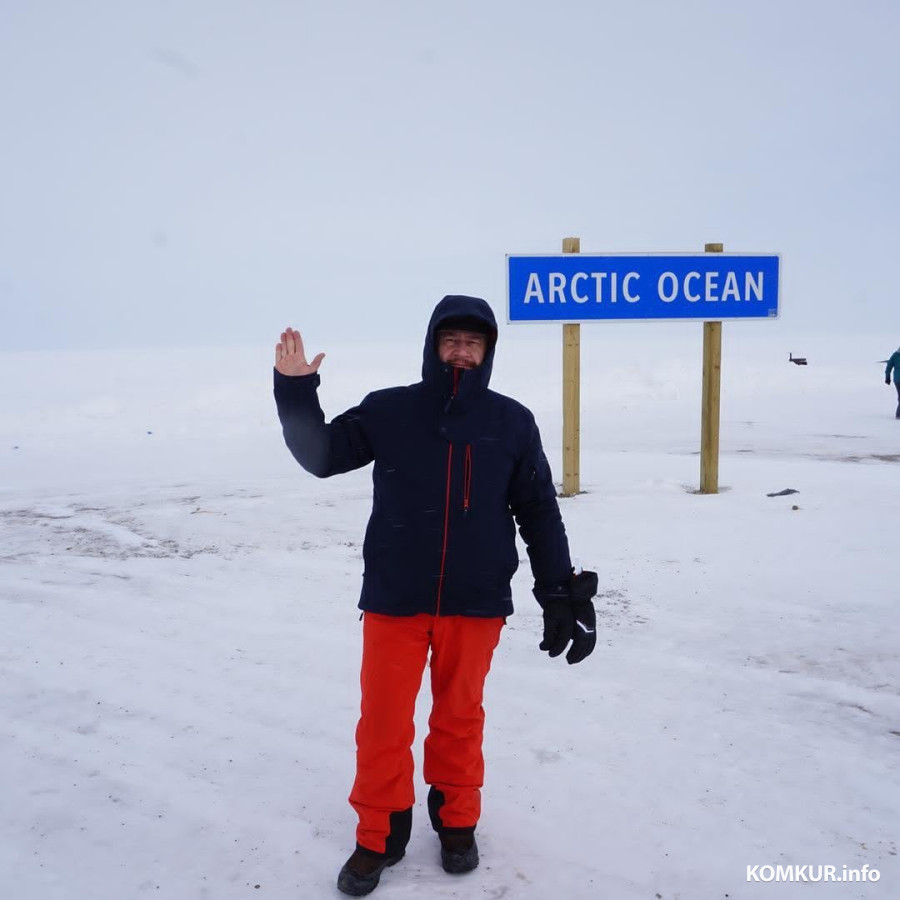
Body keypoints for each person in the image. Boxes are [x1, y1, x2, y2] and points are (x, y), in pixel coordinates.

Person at [273, 295, 597, 896]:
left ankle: (457, 823)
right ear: (432, 345)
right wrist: (295, 391)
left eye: (474, 343)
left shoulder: (511, 421)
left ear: (488, 352)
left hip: (475, 601)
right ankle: (379, 835)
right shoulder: (391, 410)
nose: (462, 351)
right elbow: (320, 456)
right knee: (383, 724)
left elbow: (538, 511)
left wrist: (559, 590)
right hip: (397, 596)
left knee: (460, 717)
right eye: (452, 340)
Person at [885, 346, 900, 418]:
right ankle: (898, 415)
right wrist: (887, 377)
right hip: (898, 380)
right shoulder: (895, 355)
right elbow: (889, 366)